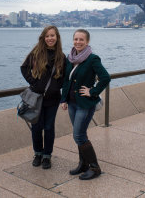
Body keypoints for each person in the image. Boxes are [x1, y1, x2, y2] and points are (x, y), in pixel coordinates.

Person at [60, 29, 111, 180]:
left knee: (79, 135)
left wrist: (93, 91)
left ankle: (95, 168)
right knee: (80, 135)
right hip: (72, 103)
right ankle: (83, 164)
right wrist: (63, 99)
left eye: (81, 39)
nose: (78, 42)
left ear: (87, 42)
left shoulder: (92, 59)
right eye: (76, 39)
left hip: (85, 104)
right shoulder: (70, 58)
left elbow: (105, 77)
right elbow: (66, 81)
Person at [21, 26, 66, 169]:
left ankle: (47, 156)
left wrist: (55, 86)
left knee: (48, 128)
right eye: (47, 36)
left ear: (57, 37)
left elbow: (65, 76)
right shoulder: (36, 53)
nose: (50, 38)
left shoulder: (61, 56)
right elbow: (24, 68)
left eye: (53, 35)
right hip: (37, 98)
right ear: (43, 38)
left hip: (52, 99)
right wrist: (34, 82)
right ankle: (38, 153)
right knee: (36, 127)